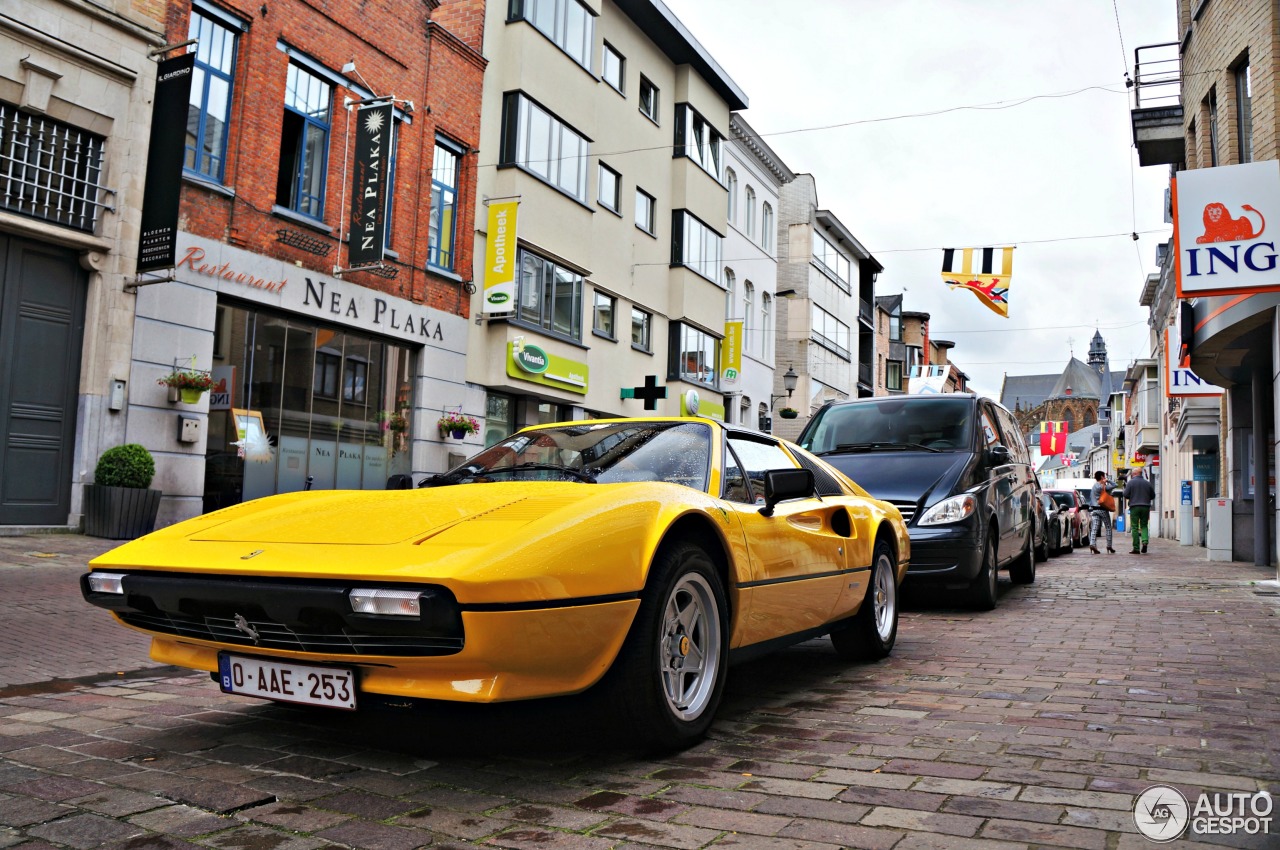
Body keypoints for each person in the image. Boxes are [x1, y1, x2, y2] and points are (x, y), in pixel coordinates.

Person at [1124, 468, 1156, 554]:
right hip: (1145, 506)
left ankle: (1136, 548)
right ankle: (1145, 542)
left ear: (1134, 474)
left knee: (1134, 527)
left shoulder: (1130, 483)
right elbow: (1153, 495)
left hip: (1134, 506)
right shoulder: (1147, 483)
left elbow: (1126, 494)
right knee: (1144, 525)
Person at [1088, 470, 1115, 554]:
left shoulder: (1094, 486)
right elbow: (1115, 485)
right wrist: (1107, 480)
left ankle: (1092, 544)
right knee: (1108, 527)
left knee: (1094, 528)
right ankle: (1109, 546)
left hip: (1094, 509)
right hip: (1102, 509)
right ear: (1102, 477)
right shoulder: (1103, 487)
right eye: (1104, 476)